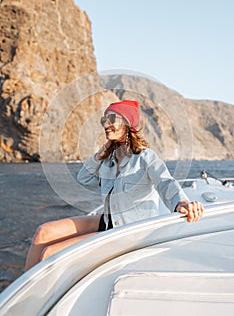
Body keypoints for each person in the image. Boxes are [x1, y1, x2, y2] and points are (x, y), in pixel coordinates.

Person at [25, 99, 204, 270]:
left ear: (127, 123)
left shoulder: (145, 157)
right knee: (43, 233)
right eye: (104, 119)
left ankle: (35, 300)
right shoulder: (108, 160)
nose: (105, 124)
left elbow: (166, 183)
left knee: (50, 253)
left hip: (128, 230)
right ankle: (20, 298)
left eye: (112, 119)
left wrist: (182, 203)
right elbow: (84, 178)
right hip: (108, 220)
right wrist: (100, 154)